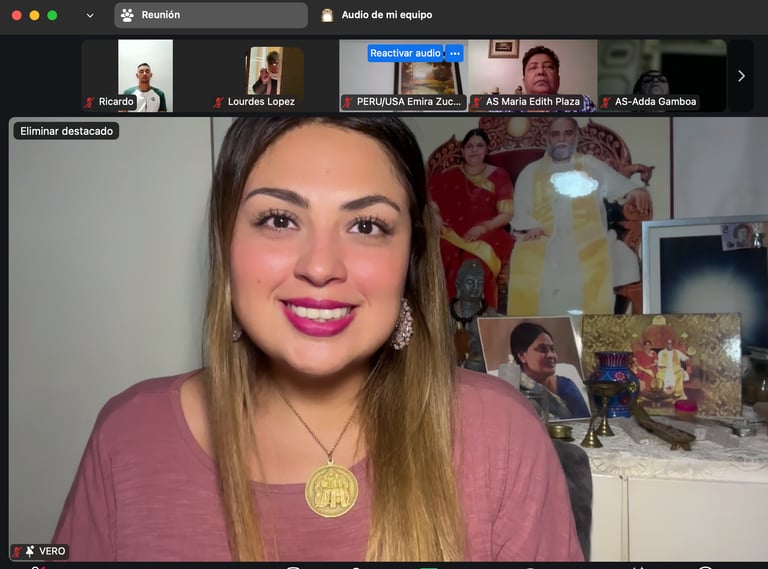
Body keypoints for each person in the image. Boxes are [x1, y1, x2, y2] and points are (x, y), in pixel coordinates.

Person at [52, 117, 583, 562]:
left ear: (411, 256)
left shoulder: (501, 435)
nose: (322, 266)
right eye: (280, 219)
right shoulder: (128, 437)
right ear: (225, 242)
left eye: (367, 226)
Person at [506, 117, 651, 316]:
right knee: (534, 264)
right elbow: (520, 210)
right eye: (555, 134)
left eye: (567, 133)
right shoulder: (530, 172)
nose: (561, 139)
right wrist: (530, 226)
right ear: (547, 138)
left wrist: (636, 191)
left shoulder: (591, 166)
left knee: (582, 268)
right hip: (543, 238)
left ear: (576, 136)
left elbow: (620, 186)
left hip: (587, 239)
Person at [429, 128, 514, 311]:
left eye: (479, 146)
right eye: (470, 146)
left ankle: (481, 317)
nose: (474, 150)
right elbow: (430, 198)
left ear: (486, 149)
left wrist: (484, 227)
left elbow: (506, 214)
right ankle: (445, 318)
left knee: (473, 264)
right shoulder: (451, 174)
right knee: (443, 253)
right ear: (462, 150)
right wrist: (435, 215)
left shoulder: (499, 175)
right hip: (449, 231)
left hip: (488, 233)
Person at [509, 322, 590, 420]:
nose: (551, 355)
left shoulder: (566, 386)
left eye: (552, 349)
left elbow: (584, 423)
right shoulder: (513, 390)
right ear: (522, 356)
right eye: (542, 349)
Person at [450, 259, 499, 372]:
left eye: (480, 283)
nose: (476, 288)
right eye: (470, 282)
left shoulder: (490, 315)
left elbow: (497, 354)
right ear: (458, 285)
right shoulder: (446, 313)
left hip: (482, 374)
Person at [519, 45, 596, 112]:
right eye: (533, 67)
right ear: (524, 81)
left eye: (548, 66)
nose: (541, 71)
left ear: (558, 79)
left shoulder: (583, 104)